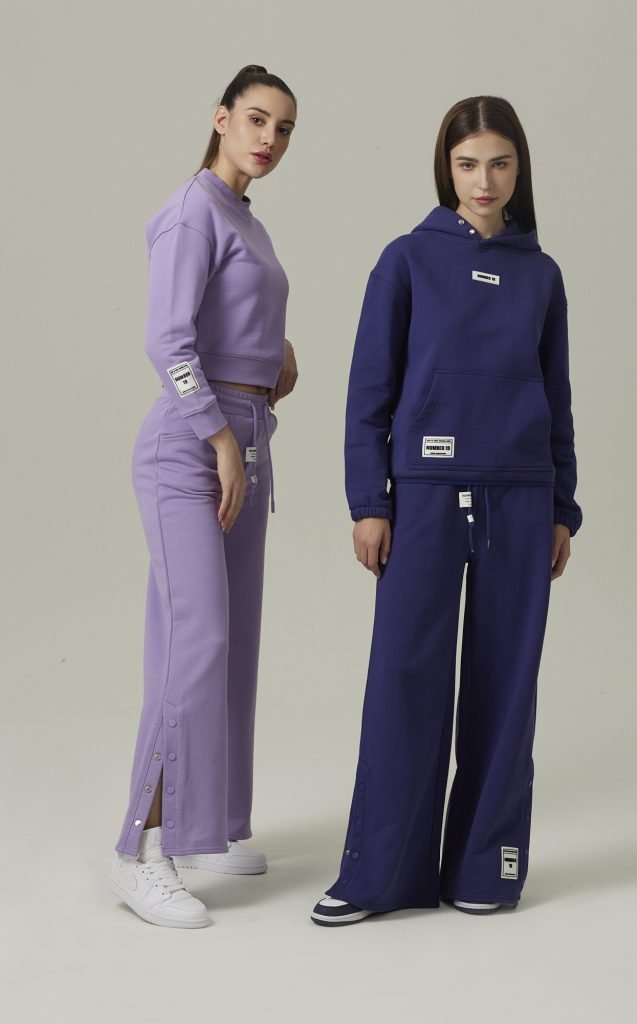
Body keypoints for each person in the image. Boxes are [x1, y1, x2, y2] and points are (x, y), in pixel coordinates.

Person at [311, 94, 582, 926]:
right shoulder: (405, 260)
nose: (483, 181)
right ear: (446, 168)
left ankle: (485, 870)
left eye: (499, 163)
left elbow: (557, 398)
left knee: (506, 685)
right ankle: (379, 875)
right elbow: (369, 391)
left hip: (521, 499)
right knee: (405, 678)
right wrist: (370, 500)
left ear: (519, 168)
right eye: (467, 164)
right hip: (423, 498)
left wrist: (562, 507)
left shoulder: (542, 274)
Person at [106, 65, 298, 928]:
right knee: (196, 642)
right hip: (192, 449)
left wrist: (274, 362)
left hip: (247, 440)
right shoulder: (193, 209)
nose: (269, 139)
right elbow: (167, 340)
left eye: (283, 128)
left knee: (235, 645)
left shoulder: (244, 217)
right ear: (221, 119)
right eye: (256, 120)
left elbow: (235, 323)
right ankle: (140, 850)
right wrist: (220, 436)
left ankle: (202, 828)